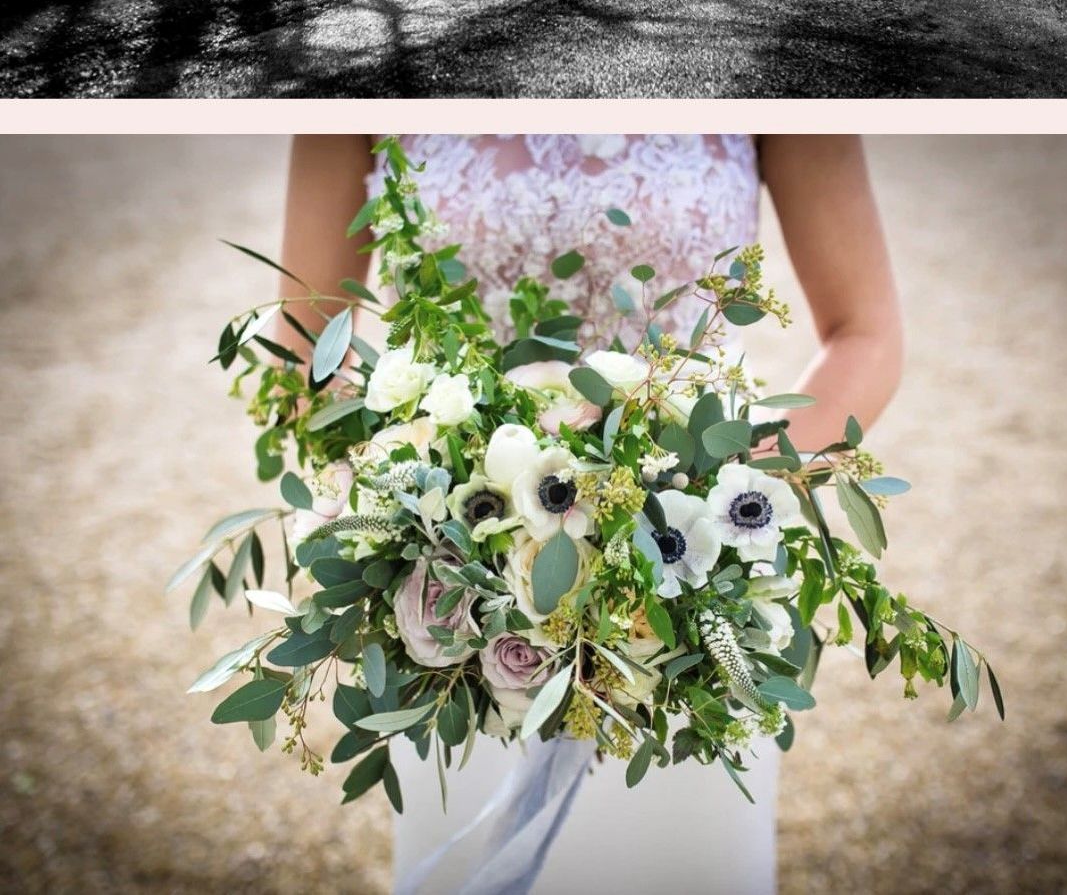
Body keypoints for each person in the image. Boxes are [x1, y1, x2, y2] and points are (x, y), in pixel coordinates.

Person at [277, 134, 903, 895]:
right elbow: (305, 342)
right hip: (454, 603)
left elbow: (865, 332)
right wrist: (402, 508)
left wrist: (729, 501)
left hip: (684, 602)